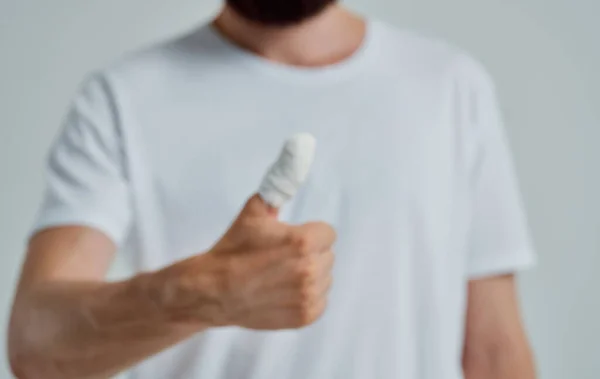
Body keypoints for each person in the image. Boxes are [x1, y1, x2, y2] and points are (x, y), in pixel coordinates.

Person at [7, 0, 538, 378]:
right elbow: (35, 345)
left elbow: (494, 353)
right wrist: (203, 292)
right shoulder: (121, 100)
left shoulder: (449, 87)